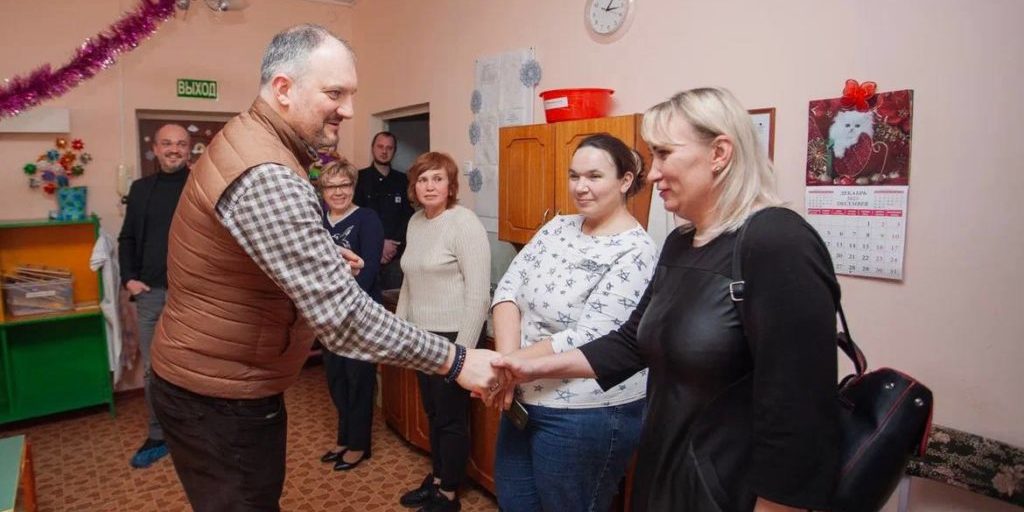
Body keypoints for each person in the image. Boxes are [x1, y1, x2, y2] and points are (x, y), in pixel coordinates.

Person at [147, 24, 502, 512]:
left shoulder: (251, 139)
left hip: (216, 377)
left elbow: (243, 248)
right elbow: (344, 319)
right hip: (219, 391)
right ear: (284, 89)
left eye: (351, 94)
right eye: (335, 93)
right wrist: (457, 361)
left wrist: (321, 254)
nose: (349, 109)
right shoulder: (268, 173)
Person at [493, 87, 841, 512]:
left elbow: (799, 413)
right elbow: (629, 344)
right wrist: (524, 366)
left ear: (719, 153)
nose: (653, 173)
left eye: (663, 154)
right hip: (668, 471)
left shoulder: (777, 242)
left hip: (728, 486)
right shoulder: (681, 243)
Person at [490, 133, 656, 512]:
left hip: (586, 413)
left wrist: (506, 368)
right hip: (522, 396)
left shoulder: (636, 251)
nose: (581, 187)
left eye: (594, 176)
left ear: (625, 181)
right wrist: (508, 365)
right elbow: (508, 290)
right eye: (574, 175)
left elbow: (591, 338)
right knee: (515, 502)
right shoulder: (557, 227)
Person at [396, 152, 491, 512]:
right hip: (422, 338)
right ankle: (438, 478)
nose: (430, 186)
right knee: (434, 412)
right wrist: (400, 332)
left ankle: (449, 493)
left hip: (454, 337)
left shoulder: (464, 223)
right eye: (422, 179)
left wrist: (462, 355)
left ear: (451, 185)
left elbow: (479, 293)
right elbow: (409, 281)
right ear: (414, 187)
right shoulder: (416, 222)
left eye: (437, 178)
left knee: (451, 418)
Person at [117, 122, 191, 469]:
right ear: (156, 149)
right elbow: (127, 238)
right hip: (150, 295)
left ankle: (192, 433)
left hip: (192, 297)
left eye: (181, 143)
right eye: (167, 143)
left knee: (194, 367)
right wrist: (129, 279)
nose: (174, 149)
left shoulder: (200, 187)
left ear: (188, 149)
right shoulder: (141, 189)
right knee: (154, 370)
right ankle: (158, 434)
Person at [316, 158, 384, 471]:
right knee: (336, 379)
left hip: (358, 317)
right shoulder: (318, 223)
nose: (338, 192)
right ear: (322, 191)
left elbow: (367, 271)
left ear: (353, 187)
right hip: (327, 318)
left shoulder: (367, 219)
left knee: (359, 380)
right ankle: (344, 438)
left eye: (344, 185)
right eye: (331, 186)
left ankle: (359, 445)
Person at [354, 131, 413, 291]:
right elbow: (356, 216)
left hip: (395, 257)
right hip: (365, 254)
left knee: (394, 300)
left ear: (394, 151)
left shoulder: (403, 180)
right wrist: (379, 244)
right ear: (373, 148)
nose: (384, 151)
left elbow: (408, 216)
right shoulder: (359, 178)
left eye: (389, 148)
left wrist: (392, 245)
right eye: (380, 146)